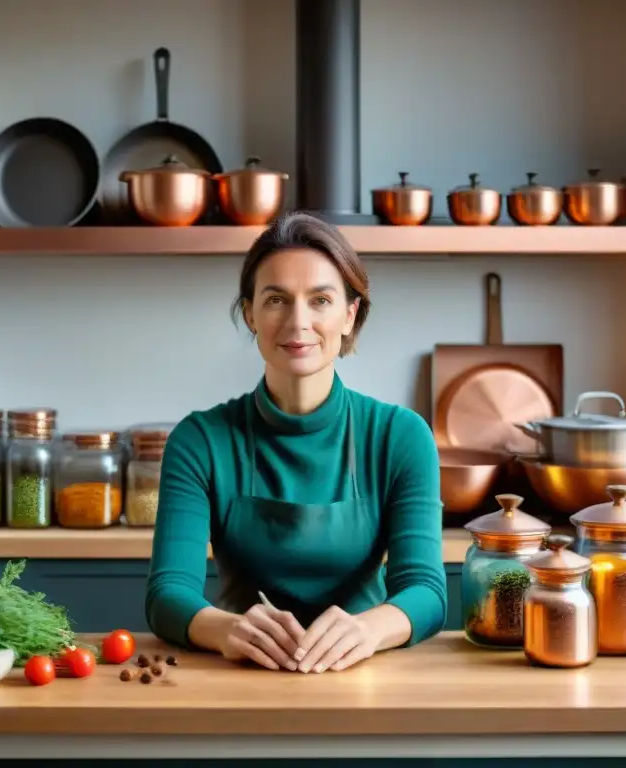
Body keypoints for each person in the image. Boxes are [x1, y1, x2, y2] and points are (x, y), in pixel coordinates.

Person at [145, 211, 446, 674]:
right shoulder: (200, 440)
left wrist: (368, 630)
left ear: (350, 314)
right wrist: (226, 630)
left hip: (366, 675)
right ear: (250, 314)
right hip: (240, 676)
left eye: (320, 300)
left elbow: (425, 589)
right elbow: (168, 594)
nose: (298, 321)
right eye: (276, 300)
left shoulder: (401, 436)